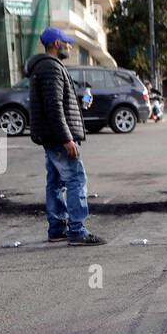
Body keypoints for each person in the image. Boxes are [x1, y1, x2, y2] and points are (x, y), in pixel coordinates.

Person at [27, 27, 105, 246]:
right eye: (67, 43)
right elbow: (53, 107)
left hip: (52, 136)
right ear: (57, 44)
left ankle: (57, 228)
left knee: (55, 182)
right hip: (59, 137)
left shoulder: (45, 68)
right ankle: (77, 231)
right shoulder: (51, 68)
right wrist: (67, 139)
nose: (70, 46)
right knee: (76, 179)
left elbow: (56, 103)